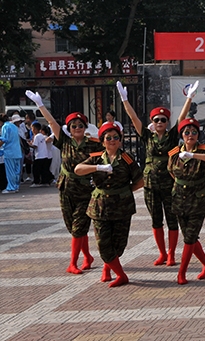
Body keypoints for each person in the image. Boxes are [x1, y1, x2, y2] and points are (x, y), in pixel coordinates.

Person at [117, 81, 195, 266]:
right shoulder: (147, 136)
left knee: (172, 219)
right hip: (150, 184)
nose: (159, 122)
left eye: (163, 120)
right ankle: (162, 253)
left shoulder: (172, 136)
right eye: (156, 120)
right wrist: (124, 100)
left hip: (169, 184)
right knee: (156, 220)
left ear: (167, 122)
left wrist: (189, 98)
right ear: (151, 122)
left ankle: (172, 254)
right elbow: (134, 119)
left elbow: (183, 117)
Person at [27, 90, 103, 273]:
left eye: (80, 125)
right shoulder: (65, 142)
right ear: (69, 128)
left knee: (79, 226)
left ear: (85, 127)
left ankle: (73, 264)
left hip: (85, 189)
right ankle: (88, 256)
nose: (77, 128)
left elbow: (106, 156)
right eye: (73, 125)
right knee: (73, 227)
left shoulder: (94, 144)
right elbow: (52, 123)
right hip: (66, 188)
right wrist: (40, 105)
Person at [75, 122, 144, 287]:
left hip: (122, 206)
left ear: (120, 140)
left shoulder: (127, 159)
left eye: (115, 137)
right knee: (103, 244)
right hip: (100, 206)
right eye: (108, 138)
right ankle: (121, 275)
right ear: (102, 141)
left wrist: (124, 191)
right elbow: (78, 169)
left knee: (118, 244)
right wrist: (98, 167)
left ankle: (107, 269)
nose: (112, 140)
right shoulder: (97, 157)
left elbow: (139, 181)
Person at [168, 118, 205, 284]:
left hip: (198, 200)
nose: (190, 135)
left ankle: (181, 273)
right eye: (187, 132)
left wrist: (194, 155)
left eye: (194, 132)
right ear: (182, 135)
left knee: (190, 237)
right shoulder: (174, 152)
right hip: (179, 199)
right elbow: (171, 171)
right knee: (189, 236)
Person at [0, 114, 23, 194]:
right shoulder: (14, 126)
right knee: (17, 171)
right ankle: (16, 186)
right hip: (17, 151)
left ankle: (11, 187)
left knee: (10, 171)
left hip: (9, 152)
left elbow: (4, 139)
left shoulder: (5, 127)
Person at [29, 122, 54, 187]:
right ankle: (45, 181)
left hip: (39, 155)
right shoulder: (42, 136)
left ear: (35, 129)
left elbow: (35, 146)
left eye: (32, 128)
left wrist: (28, 144)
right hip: (45, 155)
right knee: (44, 169)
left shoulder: (37, 136)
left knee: (36, 169)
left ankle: (36, 182)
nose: (32, 130)